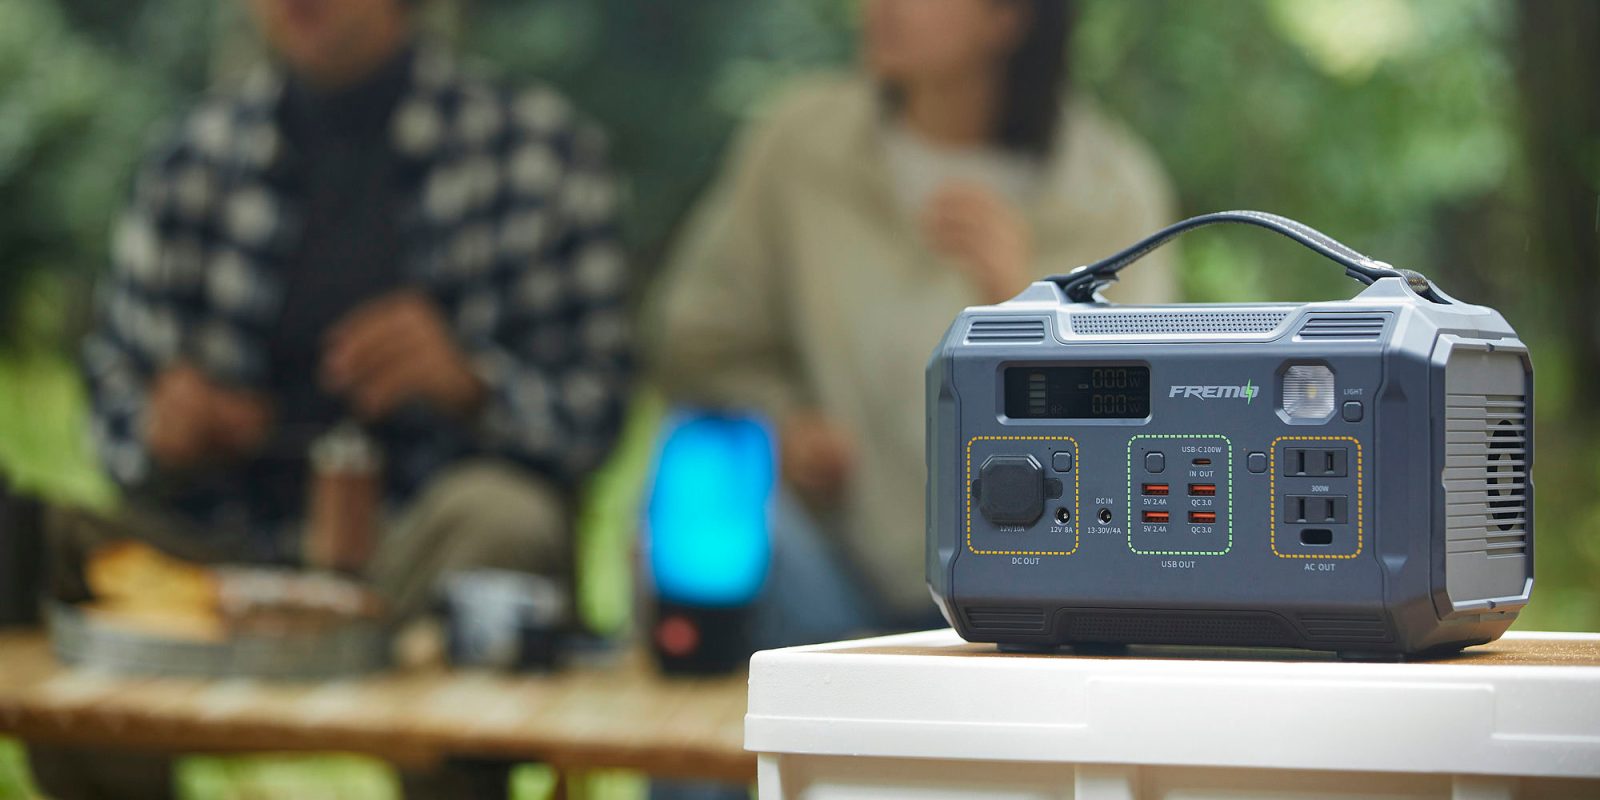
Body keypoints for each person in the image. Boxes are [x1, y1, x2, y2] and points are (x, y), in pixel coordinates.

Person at [32, 0, 630, 796]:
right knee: (36, 543)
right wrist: (162, 428)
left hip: (417, 560)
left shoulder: (533, 153)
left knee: (505, 519)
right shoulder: (193, 159)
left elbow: (598, 412)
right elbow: (115, 402)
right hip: (222, 563)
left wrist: (470, 384)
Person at [652, 0, 1178, 646]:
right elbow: (695, 337)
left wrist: (1026, 304)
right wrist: (782, 421)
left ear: (1007, 18)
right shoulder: (800, 146)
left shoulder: (1109, 190)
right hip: (825, 569)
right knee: (698, 469)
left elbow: (1148, 420)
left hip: (1027, 581)